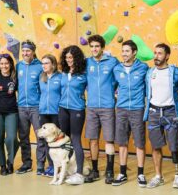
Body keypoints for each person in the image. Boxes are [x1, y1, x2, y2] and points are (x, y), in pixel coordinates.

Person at [144, 43, 178, 188]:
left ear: (167, 56)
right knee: (156, 146)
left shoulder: (174, 72)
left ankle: (177, 175)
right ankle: (158, 176)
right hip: (154, 112)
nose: (156, 56)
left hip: (170, 112)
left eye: (160, 53)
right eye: (155, 53)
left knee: (173, 145)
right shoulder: (150, 72)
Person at [112, 40, 149, 187]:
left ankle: (140, 173)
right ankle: (122, 173)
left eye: (127, 51)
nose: (124, 54)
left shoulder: (143, 68)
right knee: (122, 142)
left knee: (139, 142)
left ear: (134, 53)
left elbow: (148, 88)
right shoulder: (116, 69)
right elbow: (113, 87)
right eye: (123, 51)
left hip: (137, 108)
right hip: (121, 109)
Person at [84, 35, 119, 184]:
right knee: (93, 140)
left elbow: (118, 80)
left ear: (102, 48)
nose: (94, 49)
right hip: (91, 107)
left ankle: (109, 170)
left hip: (107, 106)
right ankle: (95, 170)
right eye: (91, 46)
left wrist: (111, 91)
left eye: (97, 46)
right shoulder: (86, 63)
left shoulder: (112, 61)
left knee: (109, 140)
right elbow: (84, 81)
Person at [58, 45, 87, 185]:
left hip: (77, 109)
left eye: (71, 57)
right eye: (67, 57)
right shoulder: (63, 72)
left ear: (77, 58)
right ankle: (68, 170)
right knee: (65, 140)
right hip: (63, 108)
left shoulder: (83, 73)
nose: (69, 60)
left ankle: (80, 173)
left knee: (75, 139)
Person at [15, 40, 44, 175]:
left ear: (33, 52)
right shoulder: (18, 66)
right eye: (24, 51)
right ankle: (27, 163)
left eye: (28, 51)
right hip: (21, 107)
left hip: (36, 107)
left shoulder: (40, 66)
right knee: (23, 137)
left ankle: (41, 165)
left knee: (41, 137)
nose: (25, 53)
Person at [0, 53, 19, 176]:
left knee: (11, 138)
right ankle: (2, 165)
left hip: (11, 111)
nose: (4, 66)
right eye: (1, 63)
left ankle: (10, 162)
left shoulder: (15, 76)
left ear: (10, 64)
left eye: (6, 63)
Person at [38, 54, 62, 177]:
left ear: (53, 64)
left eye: (46, 63)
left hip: (56, 113)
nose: (44, 66)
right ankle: (51, 165)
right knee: (47, 141)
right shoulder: (41, 77)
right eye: (42, 63)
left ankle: (60, 166)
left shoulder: (61, 77)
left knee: (56, 140)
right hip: (43, 113)